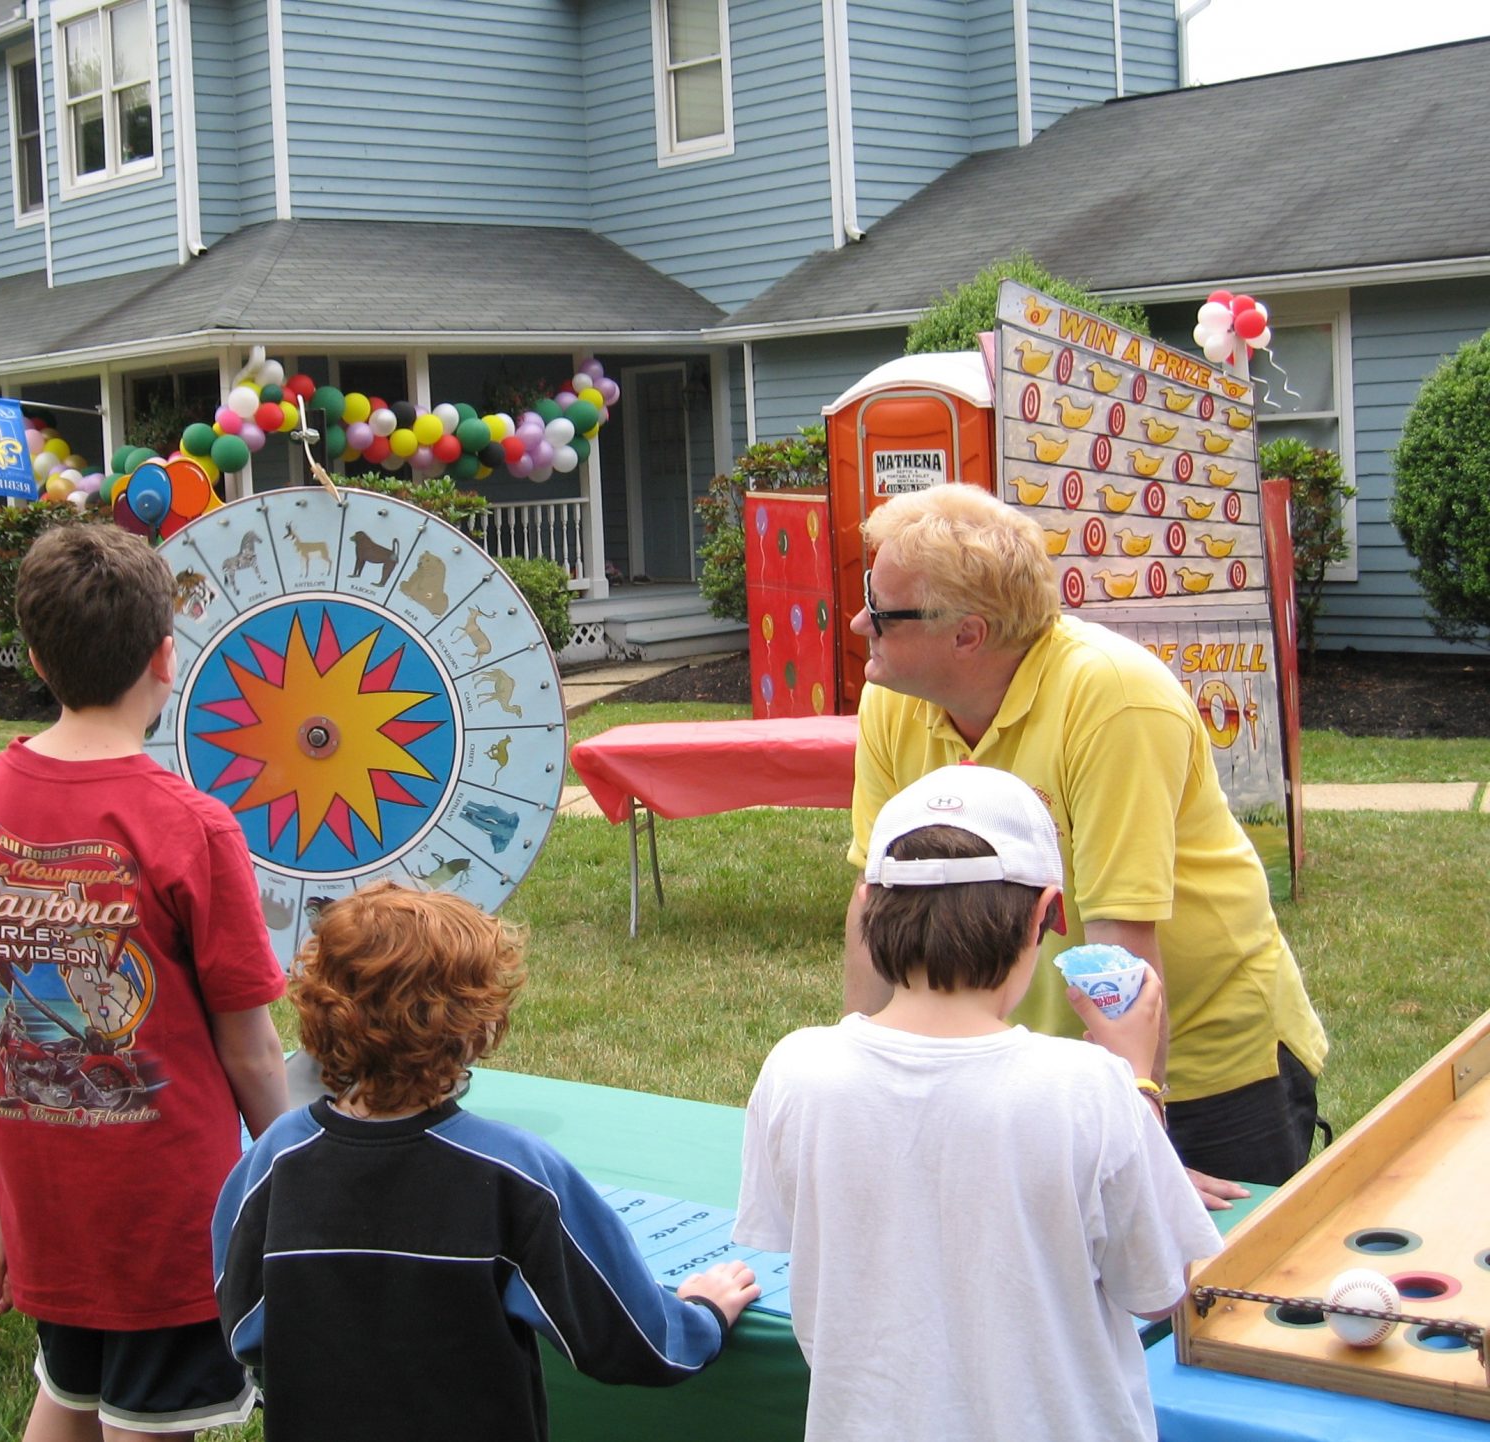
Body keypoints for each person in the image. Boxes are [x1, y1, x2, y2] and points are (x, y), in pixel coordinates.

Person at [0, 526, 289, 1441]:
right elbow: (253, 1048)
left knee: (69, 1398)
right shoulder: (192, 825)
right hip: (166, 1227)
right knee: (138, 1420)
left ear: (35, 657)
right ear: (166, 655)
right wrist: (296, 1183)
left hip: (43, 1205)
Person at [840, 484, 1326, 1196]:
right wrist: (864, 1082)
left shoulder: (1113, 699)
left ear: (967, 634)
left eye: (882, 612)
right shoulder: (893, 699)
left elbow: (1121, 948)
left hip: (1200, 1065)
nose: (859, 622)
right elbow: (875, 902)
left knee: (1212, 1289)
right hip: (1031, 1062)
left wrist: (1138, 1145)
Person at [738, 763, 1224, 1442]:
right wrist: (1138, 1081)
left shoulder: (796, 1069)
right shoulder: (1089, 1088)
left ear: (867, 905)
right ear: (1047, 913)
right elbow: (1162, 1285)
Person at [212, 882, 758, 1442]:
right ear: (476, 1026)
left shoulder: (274, 1161)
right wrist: (703, 1315)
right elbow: (632, 1341)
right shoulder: (515, 1174)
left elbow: (243, 1328)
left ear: (318, 1007)